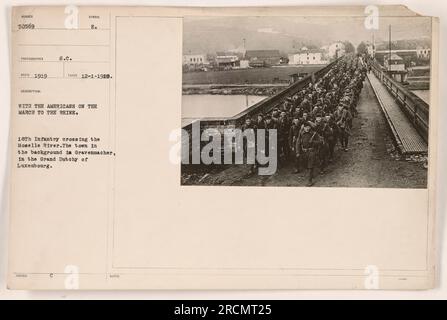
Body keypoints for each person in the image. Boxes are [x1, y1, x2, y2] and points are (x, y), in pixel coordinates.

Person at [296, 121, 323, 186]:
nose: (307, 128)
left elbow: (320, 142)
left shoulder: (314, 133)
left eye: (308, 127)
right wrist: (297, 152)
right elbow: (298, 142)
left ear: (310, 127)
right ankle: (313, 171)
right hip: (304, 152)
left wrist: (313, 142)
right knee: (305, 165)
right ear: (303, 128)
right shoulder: (301, 133)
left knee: (310, 166)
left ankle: (310, 181)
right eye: (306, 127)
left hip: (312, 151)